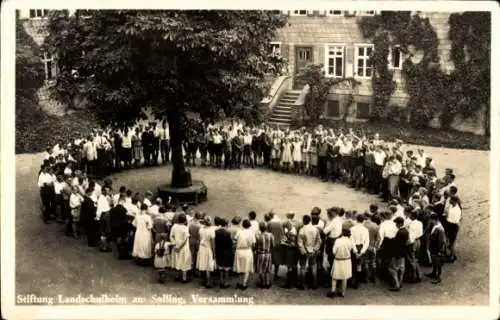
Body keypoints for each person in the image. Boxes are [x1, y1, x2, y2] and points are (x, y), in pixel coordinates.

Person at [327, 228, 354, 298]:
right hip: (347, 260)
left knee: (334, 276)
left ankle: (333, 290)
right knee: (344, 277)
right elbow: (352, 249)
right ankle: (343, 292)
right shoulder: (350, 241)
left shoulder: (338, 241)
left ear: (342, 233)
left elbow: (334, 251)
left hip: (338, 260)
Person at [297, 215, 321, 290]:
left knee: (303, 267)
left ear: (304, 220)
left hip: (304, 251)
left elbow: (300, 243)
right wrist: (315, 249)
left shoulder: (302, 230)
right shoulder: (315, 229)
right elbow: (319, 241)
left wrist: (303, 251)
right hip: (313, 250)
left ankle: (302, 284)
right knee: (313, 266)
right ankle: (314, 284)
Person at [233, 219, 256, 290]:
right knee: (246, 268)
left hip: (239, 251)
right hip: (247, 251)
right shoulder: (251, 233)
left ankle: (240, 282)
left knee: (240, 267)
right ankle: (244, 283)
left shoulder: (239, 232)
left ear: (243, 225)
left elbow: (234, 241)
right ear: (249, 225)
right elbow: (254, 244)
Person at [388, 217, 409, 291]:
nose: (396, 224)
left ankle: (397, 284)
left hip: (397, 254)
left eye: (396, 223)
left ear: (400, 223)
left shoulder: (400, 232)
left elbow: (395, 243)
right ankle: (400, 283)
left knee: (392, 269)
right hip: (403, 253)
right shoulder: (406, 231)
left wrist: (391, 239)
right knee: (401, 269)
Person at [170, 213, 192, 283]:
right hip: (183, 247)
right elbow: (185, 240)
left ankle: (177, 276)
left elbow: (171, 236)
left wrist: (174, 244)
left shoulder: (174, 226)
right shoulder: (185, 228)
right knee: (184, 262)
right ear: (185, 220)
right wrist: (179, 247)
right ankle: (184, 278)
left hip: (176, 246)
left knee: (177, 260)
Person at [426, 213, 447, 284]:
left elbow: (440, 241)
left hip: (437, 248)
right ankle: (434, 273)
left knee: (438, 263)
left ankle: (438, 278)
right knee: (434, 261)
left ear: (433, 219)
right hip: (434, 247)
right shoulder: (436, 226)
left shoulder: (439, 228)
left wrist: (439, 250)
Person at [350, 214, 369, 289]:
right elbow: (367, 242)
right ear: (363, 220)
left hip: (354, 247)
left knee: (353, 264)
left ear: (356, 219)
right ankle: (357, 282)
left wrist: (355, 251)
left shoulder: (352, 229)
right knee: (359, 265)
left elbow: (351, 240)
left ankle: (352, 280)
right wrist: (361, 252)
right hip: (362, 247)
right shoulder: (365, 229)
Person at [197, 216, 216, 288]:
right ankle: (208, 281)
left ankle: (203, 280)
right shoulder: (211, 231)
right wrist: (214, 253)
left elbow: (199, 239)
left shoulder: (201, 229)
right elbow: (213, 243)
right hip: (208, 248)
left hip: (202, 248)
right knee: (208, 265)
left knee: (202, 263)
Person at [255, 222, 275, 289]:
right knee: (267, 269)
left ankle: (262, 283)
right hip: (268, 254)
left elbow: (256, 246)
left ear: (260, 228)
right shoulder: (271, 235)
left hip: (261, 254)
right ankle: (267, 283)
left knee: (261, 269)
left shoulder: (258, 236)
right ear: (266, 228)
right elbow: (273, 245)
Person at [214, 218, 233, 288]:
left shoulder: (216, 231)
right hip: (226, 252)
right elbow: (230, 243)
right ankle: (226, 282)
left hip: (219, 251)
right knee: (226, 268)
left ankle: (221, 281)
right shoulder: (228, 232)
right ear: (226, 224)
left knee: (220, 267)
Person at [406, 211, 423, 283]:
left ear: (412, 216)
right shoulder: (420, 223)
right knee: (416, 259)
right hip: (418, 241)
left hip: (413, 243)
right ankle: (419, 275)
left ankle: (413, 277)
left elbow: (411, 236)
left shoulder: (411, 224)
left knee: (411, 260)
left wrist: (408, 243)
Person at [267, 212, 284, 281]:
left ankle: (268, 275)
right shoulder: (280, 222)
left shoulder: (269, 223)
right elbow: (282, 233)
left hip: (271, 243)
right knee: (277, 260)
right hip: (278, 243)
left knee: (269, 259)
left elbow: (267, 233)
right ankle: (275, 275)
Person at [281, 219, 298, 289]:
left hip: (290, 251)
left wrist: (285, 243)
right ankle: (294, 281)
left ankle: (289, 284)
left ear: (288, 226)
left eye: (286, 227)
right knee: (294, 266)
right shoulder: (295, 230)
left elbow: (283, 242)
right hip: (295, 251)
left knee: (289, 267)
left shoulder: (290, 233)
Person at [444, 195, 461, 263]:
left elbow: (455, 221)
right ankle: (452, 254)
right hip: (449, 225)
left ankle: (452, 257)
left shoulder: (457, 209)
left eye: (451, 200)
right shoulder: (451, 206)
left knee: (451, 242)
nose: (449, 201)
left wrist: (448, 219)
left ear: (454, 201)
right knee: (450, 241)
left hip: (453, 226)